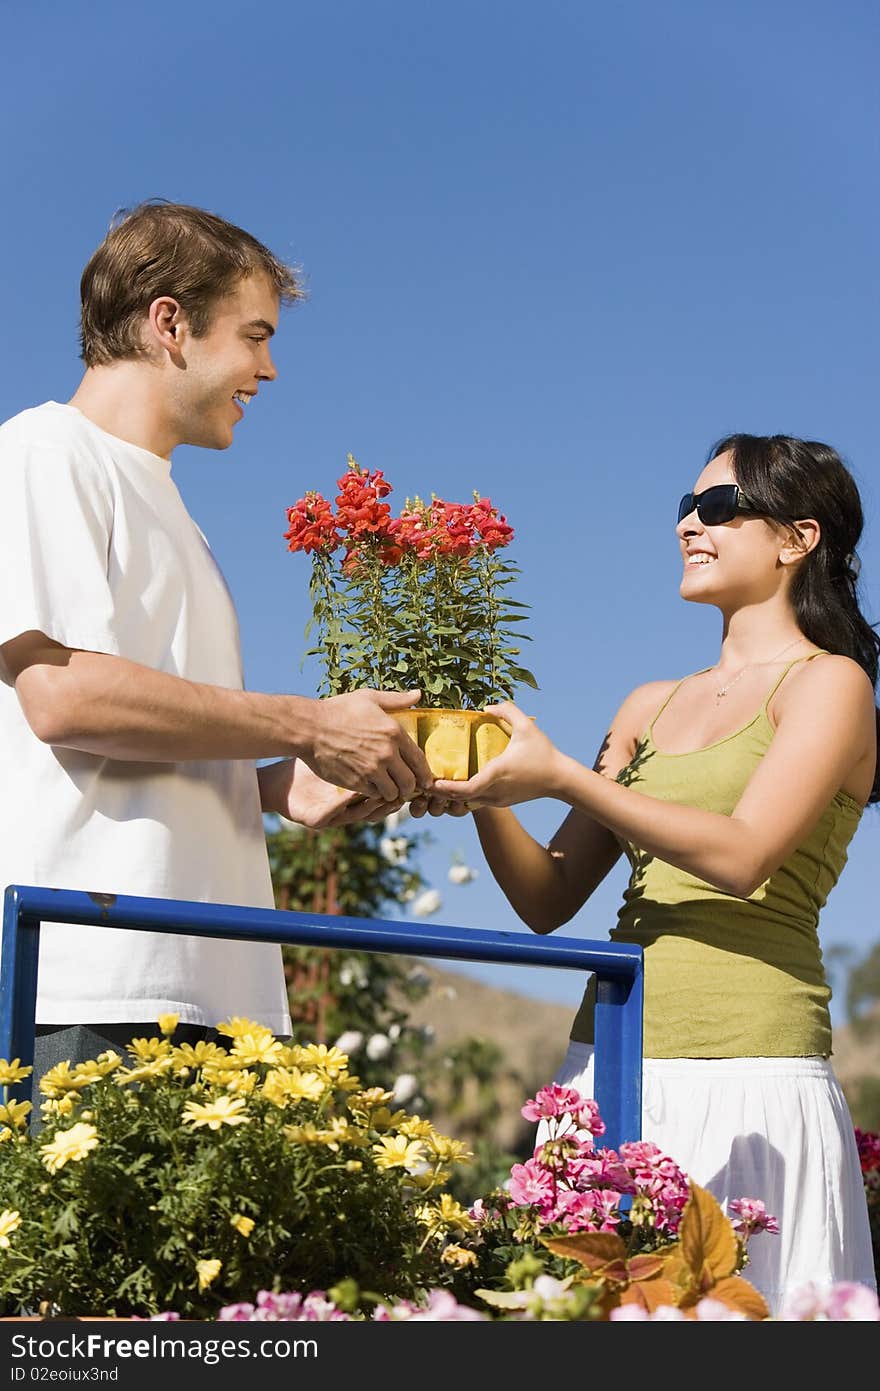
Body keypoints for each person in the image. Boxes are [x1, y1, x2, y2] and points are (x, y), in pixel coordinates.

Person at [414, 433, 879, 1314]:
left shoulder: (831, 686)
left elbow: (744, 855)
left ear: (797, 538)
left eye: (716, 508)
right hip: (608, 1061)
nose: (687, 527)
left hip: (751, 1072)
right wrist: (482, 787)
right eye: (683, 508)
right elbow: (549, 897)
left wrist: (562, 774)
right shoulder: (645, 704)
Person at [0, 200, 430, 1097]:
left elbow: (146, 750)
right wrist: (309, 723)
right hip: (87, 988)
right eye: (254, 336)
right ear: (170, 323)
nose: (268, 369)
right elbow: (64, 699)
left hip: (208, 990)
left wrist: (280, 783)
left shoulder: (174, 513)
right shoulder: (45, 452)